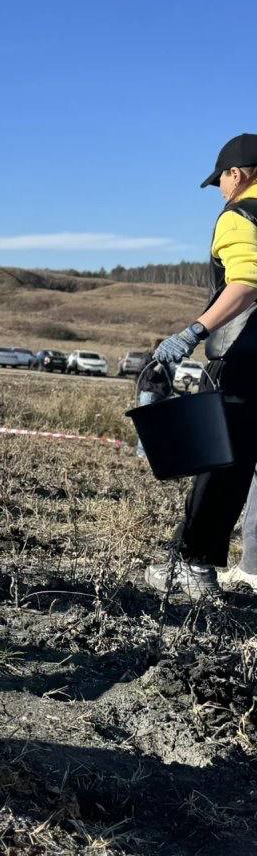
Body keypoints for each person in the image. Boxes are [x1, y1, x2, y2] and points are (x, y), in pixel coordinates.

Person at [145, 134, 257, 598]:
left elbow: (246, 282)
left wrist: (194, 332)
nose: (220, 191)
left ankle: (192, 564)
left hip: (242, 359)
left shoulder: (240, 215)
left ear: (237, 172)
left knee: (220, 460)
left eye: (221, 181)